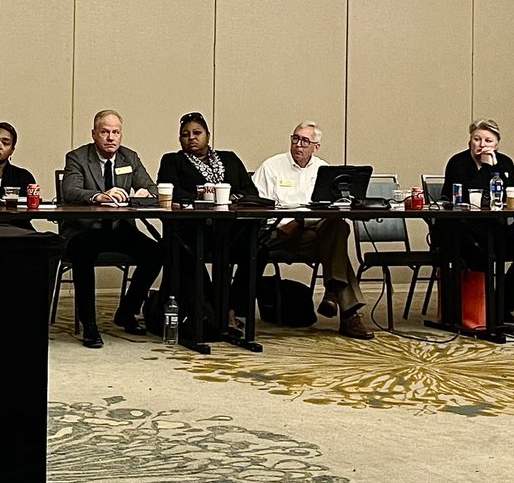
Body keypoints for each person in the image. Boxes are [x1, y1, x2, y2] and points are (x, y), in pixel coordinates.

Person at [252, 123, 372, 339]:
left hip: (308, 234)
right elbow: (255, 206)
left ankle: (337, 295)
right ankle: (346, 311)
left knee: (337, 225)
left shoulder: (324, 170)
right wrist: (290, 223)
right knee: (336, 241)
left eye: (305, 141)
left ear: (316, 147)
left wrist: (299, 222)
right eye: (295, 138)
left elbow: (331, 207)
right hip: (276, 234)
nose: (298, 144)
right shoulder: (271, 167)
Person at [60, 110, 162, 348]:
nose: (110, 138)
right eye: (104, 132)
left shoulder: (129, 158)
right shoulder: (77, 157)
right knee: (83, 255)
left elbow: (153, 189)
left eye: (115, 132)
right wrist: (99, 196)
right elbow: (70, 191)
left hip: (119, 228)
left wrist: (144, 193)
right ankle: (89, 324)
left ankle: (126, 312)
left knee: (157, 252)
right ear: (94, 134)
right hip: (85, 229)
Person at [156, 111, 261, 330]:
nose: (191, 138)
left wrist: (230, 198)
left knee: (259, 251)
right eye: (185, 134)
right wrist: (204, 197)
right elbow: (172, 192)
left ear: (208, 136)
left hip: (231, 231)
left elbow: (251, 191)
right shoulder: (173, 160)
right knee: (183, 252)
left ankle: (232, 307)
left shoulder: (229, 159)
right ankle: (210, 311)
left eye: (197, 133)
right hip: (194, 232)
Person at [439, 118, 514, 320]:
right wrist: (488, 169)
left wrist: (495, 170)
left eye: (488, 141)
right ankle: (480, 311)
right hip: (462, 230)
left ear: (497, 144)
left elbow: (507, 196)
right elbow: (470, 196)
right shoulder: (458, 163)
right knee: (481, 254)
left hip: (495, 229)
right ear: (470, 141)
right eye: (477, 139)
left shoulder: (505, 163)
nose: (482, 145)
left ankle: (501, 307)